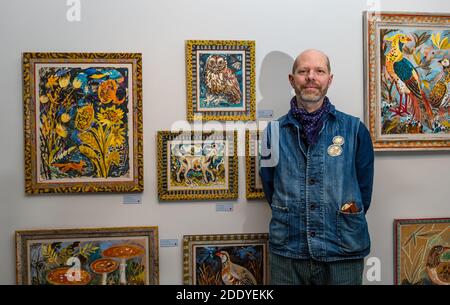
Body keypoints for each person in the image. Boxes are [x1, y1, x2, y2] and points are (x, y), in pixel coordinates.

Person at [259, 49, 374, 285]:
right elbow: (270, 187)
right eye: (303, 71)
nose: (311, 77)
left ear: (329, 79)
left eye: (319, 71)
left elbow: (364, 191)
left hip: (342, 249)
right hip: (289, 251)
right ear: (292, 80)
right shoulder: (272, 133)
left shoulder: (355, 130)